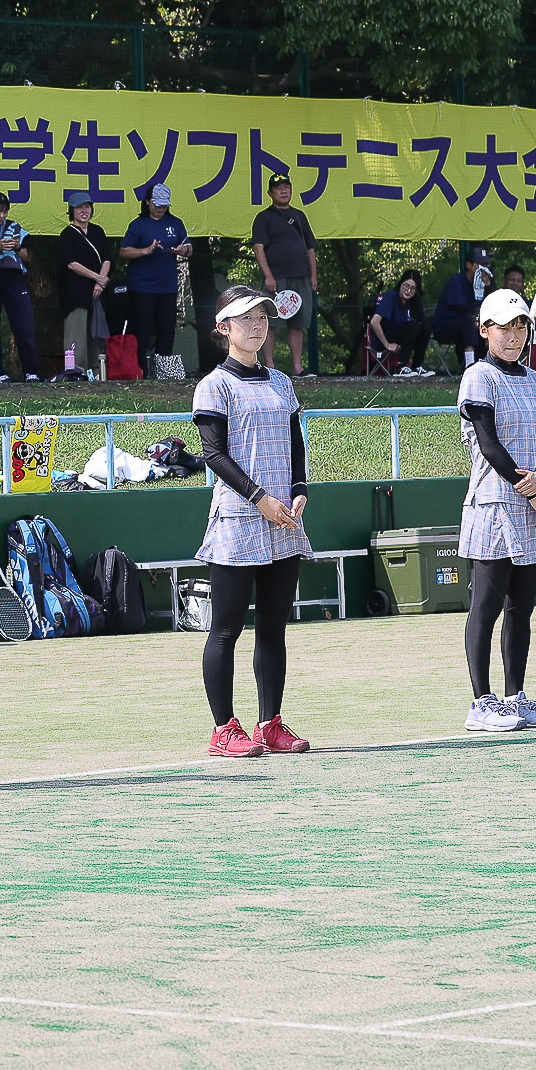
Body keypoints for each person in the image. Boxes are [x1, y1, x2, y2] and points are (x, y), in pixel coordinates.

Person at [195, 286, 314, 760]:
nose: (256, 326)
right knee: (226, 630)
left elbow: (296, 443)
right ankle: (223, 729)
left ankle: (270, 724)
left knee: (273, 627)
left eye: (262, 317)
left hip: (283, 520)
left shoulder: (282, 382)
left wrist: (300, 489)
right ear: (223, 328)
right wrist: (259, 498)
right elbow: (213, 454)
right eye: (245, 319)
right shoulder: (214, 385)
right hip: (237, 519)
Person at [457, 290, 536, 734]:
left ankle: (515, 697)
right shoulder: (478, 376)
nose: (514, 336)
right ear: (485, 331)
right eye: (504, 327)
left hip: (531, 503)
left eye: (520, 326)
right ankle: (481, 703)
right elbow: (489, 444)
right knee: (486, 606)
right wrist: (533, 491)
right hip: (493, 503)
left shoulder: (533, 379)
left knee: (522, 607)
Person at [119, 183, 192, 378]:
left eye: (164, 205)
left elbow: (189, 248)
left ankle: (164, 372)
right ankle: (140, 372)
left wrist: (182, 250)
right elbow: (124, 251)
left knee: (166, 328)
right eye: (157, 205)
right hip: (141, 286)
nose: (160, 209)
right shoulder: (138, 224)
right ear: (148, 202)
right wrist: (145, 251)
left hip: (167, 286)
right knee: (142, 328)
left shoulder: (175, 223)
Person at [250, 174, 319, 376]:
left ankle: (297, 367)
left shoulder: (299, 216)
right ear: (270, 193)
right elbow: (258, 247)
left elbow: (310, 248)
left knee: (298, 322)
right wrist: (268, 276)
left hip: (301, 276)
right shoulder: (264, 217)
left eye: (286, 187)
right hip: (276, 278)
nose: (283, 191)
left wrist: (313, 276)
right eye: (278, 188)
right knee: (270, 322)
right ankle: (270, 366)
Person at [0, 192, 41, 382]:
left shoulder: (14, 227)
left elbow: (26, 256)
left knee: (24, 325)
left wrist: (16, 247)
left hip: (13, 280)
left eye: (5, 212)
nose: (1, 215)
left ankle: (31, 371)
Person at [56, 196, 112, 376]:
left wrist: (100, 282)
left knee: (96, 332)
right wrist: (97, 277)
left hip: (97, 293)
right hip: (76, 293)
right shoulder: (67, 234)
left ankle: (96, 371)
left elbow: (107, 258)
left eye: (87, 207)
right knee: (76, 332)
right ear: (72, 210)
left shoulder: (97, 231)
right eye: (79, 207)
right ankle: (76, 371)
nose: (84, 211)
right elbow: (71, 263)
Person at [431, 248, 491, 369]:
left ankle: (486, 366)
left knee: (488, 326)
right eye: (480, 265)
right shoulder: (456, 281)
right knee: (470, 320)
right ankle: (469, 365)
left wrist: (488, 287)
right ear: (469, 265)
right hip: (446, 326)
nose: (483, 269)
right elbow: (461, 308)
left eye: (486, 265)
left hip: (469, 329)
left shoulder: (484, 283)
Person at [366, 269, 431, 377]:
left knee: (425, 326)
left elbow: (422, 322)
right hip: (387, 338)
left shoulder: (415, 301)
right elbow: (374, 322)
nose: (408, 291)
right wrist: (387, 344)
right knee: (413, 325)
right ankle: (400, 366)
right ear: (401, 283)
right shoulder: (391, 296)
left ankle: (417, 366)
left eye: (413, 288)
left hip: (407, 338)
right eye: (406, 286)